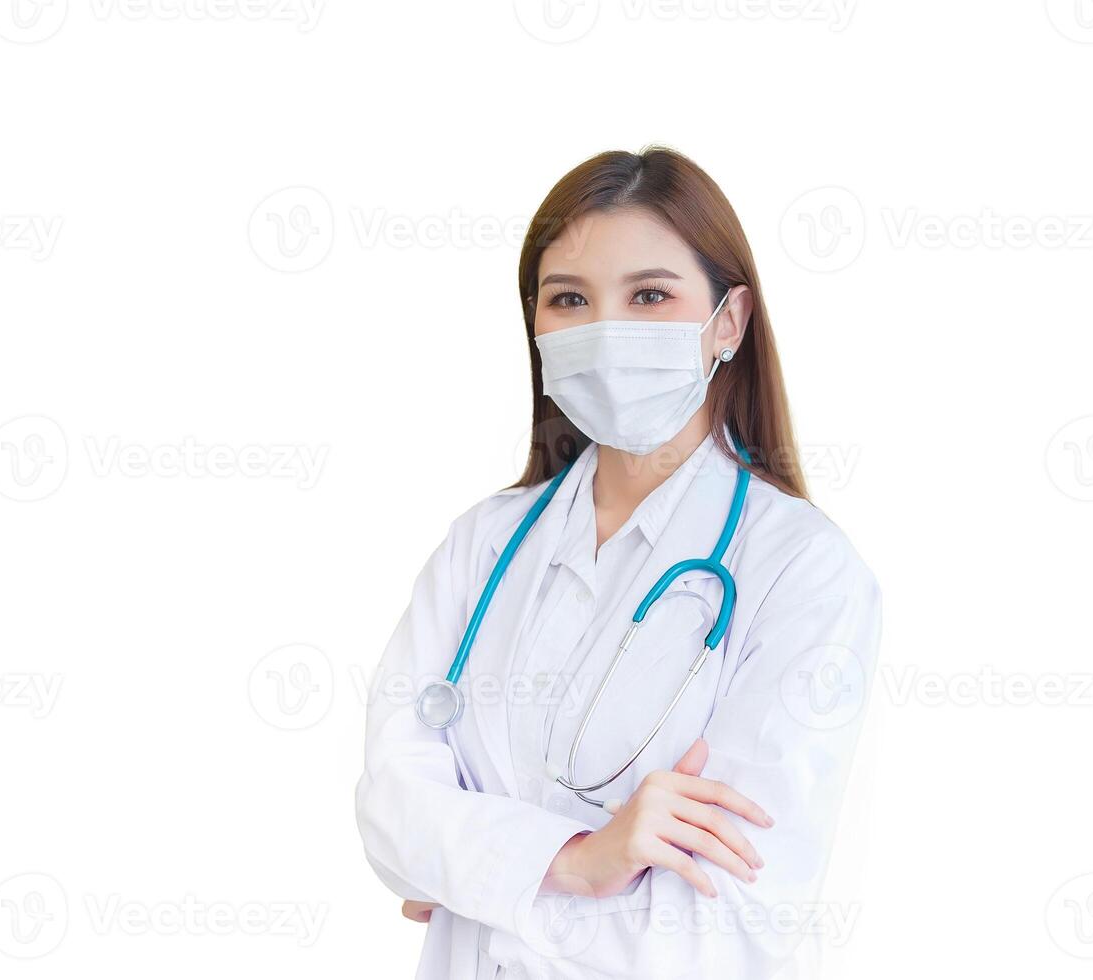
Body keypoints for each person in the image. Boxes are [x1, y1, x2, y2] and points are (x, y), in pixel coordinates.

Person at [354, 147, 881, 979]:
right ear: (536, 324)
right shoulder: (480, 547)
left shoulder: (803, 572)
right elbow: (389, 810)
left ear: (729, 322)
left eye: (650, 295)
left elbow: (728, 920)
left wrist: (473, 875)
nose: (607, 333)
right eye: (570, 300)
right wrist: (575, 859)